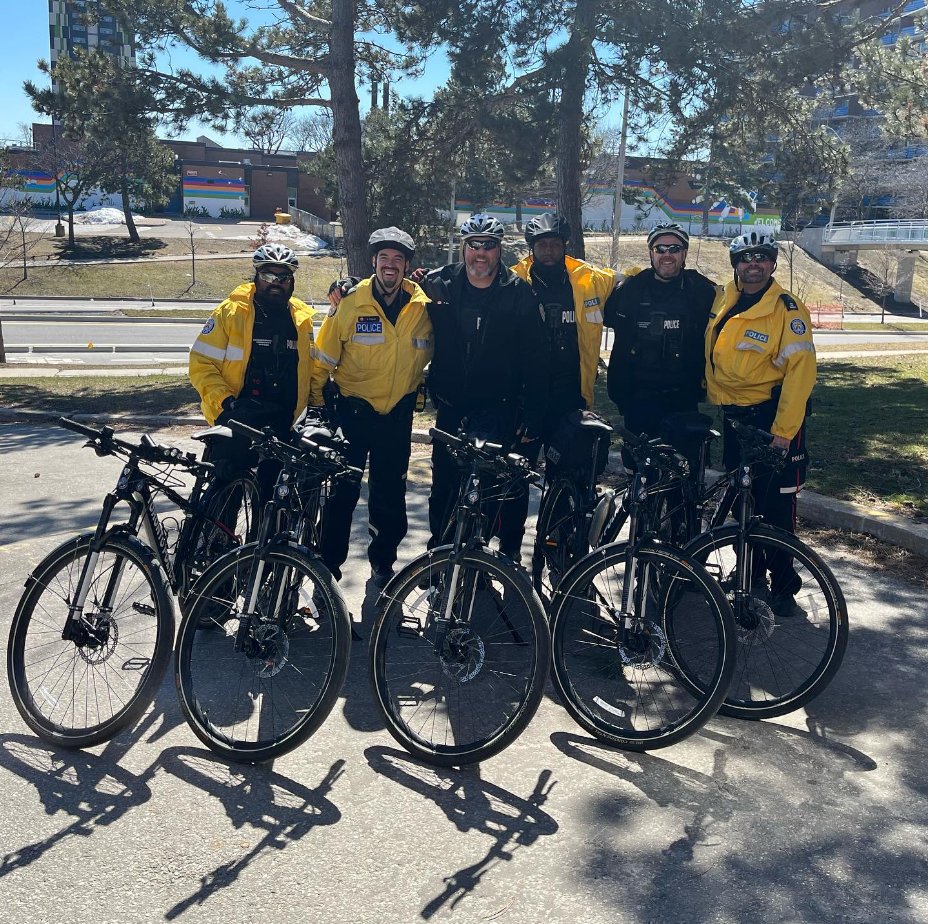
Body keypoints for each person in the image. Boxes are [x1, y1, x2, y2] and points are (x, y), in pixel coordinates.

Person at [419, 213, 549, 560]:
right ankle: (440, 553)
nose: (480, 253)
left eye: (488, 246)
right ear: (463, 248)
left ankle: (504, 555)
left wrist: (533, 413)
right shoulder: (438, 284)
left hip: (500, 406)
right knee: (444, 485)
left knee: (502, 487)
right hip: (451, 405)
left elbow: (537, 358)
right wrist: (344, 288)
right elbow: (391, 288)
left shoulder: (518, 292)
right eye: (473, 245)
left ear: (498, 249)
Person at [310, 227, 432, 586]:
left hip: (397, 416)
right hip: (352, 414)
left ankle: (383, 563)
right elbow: (322, 360)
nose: (390, 265)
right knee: (341, 495)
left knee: (390, 495)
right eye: (384, 258)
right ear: (374, 263)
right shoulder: (348, 302)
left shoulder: (424, 307)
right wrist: (317, 406)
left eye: (398, 258)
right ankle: (327, 568)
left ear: (407, 265)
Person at [705, 230, 816, 618]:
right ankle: (749, 575)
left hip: (772, 420)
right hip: (736, 417)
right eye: (746, 258)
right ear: (735, 263)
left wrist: (784, 433)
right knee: (743, 499)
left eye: (761, 258)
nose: (753, 265)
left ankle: (784, 586)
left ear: (772, 264)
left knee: (776, 506)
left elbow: (801, 375)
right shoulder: (725, 298)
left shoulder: (787, 309)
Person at [188, 243, 316, 497]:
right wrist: (226, 403)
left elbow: (311, 370)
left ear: (292, 282)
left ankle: (262, 537)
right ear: (256, 276)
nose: (275, 283)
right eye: (268, 275)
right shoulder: (231, 312)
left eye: (283, 277)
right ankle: (218, 538)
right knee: (222, 498)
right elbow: (201, 364)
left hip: (283, 422)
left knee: (274, 502)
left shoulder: (301, 320)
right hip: (237, 417)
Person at [510, 212, 616, 477]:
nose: (549, 250)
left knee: (569, 478)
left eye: (555, 244)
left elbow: (627, 280)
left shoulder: (587, 279)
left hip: (571, 397)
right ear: (531, 248)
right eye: (542, 245)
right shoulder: (513, 283)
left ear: (565, 246)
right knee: (515, 480)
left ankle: (560, 518)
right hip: (525, 400)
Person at [603, 222, 718, 466]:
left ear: (684, 253)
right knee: (640, 477)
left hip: (683, 399)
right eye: (660, 249)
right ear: (651, 254)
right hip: (638, 399)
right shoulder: (630, 290)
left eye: (674, 248)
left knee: (682, 476)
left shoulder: (702, 291)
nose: (667, 255)